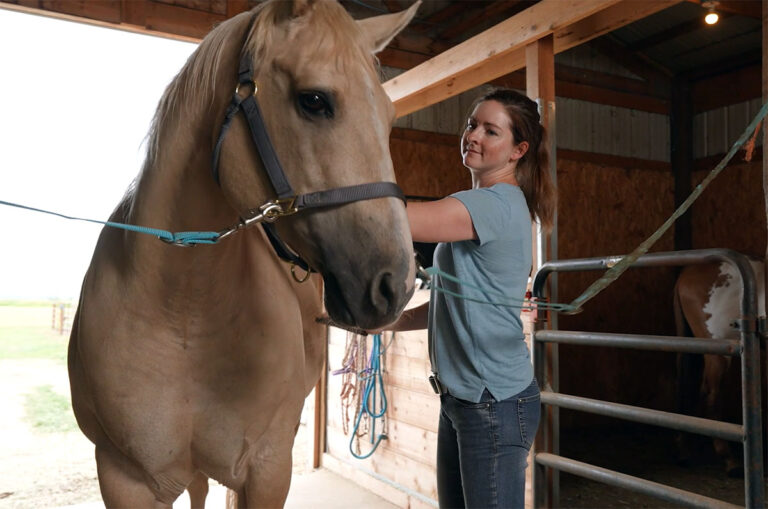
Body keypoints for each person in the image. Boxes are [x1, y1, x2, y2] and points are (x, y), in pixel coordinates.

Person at [384, 87, 556, 508]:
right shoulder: (484, 203)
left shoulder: (493, 204)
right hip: (462, 399)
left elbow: (391, 220)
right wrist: (388, 323)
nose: (474, 135)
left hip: (493, 403)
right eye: (471, 124)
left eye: (491, 131)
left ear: (518, 150)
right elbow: (451, 302)